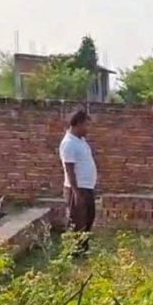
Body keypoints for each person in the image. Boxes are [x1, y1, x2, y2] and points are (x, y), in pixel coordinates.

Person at [58, 107, 97, 256]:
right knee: (76, 221)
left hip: (87, 187)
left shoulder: (80, 140)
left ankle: (83, 249)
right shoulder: (68, 143)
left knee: (88, 219)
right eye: (86, 125)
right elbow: (69, 169)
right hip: (77, 188)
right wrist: (76, 192)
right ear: (77, 124)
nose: (88, 129)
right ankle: (72, 252)